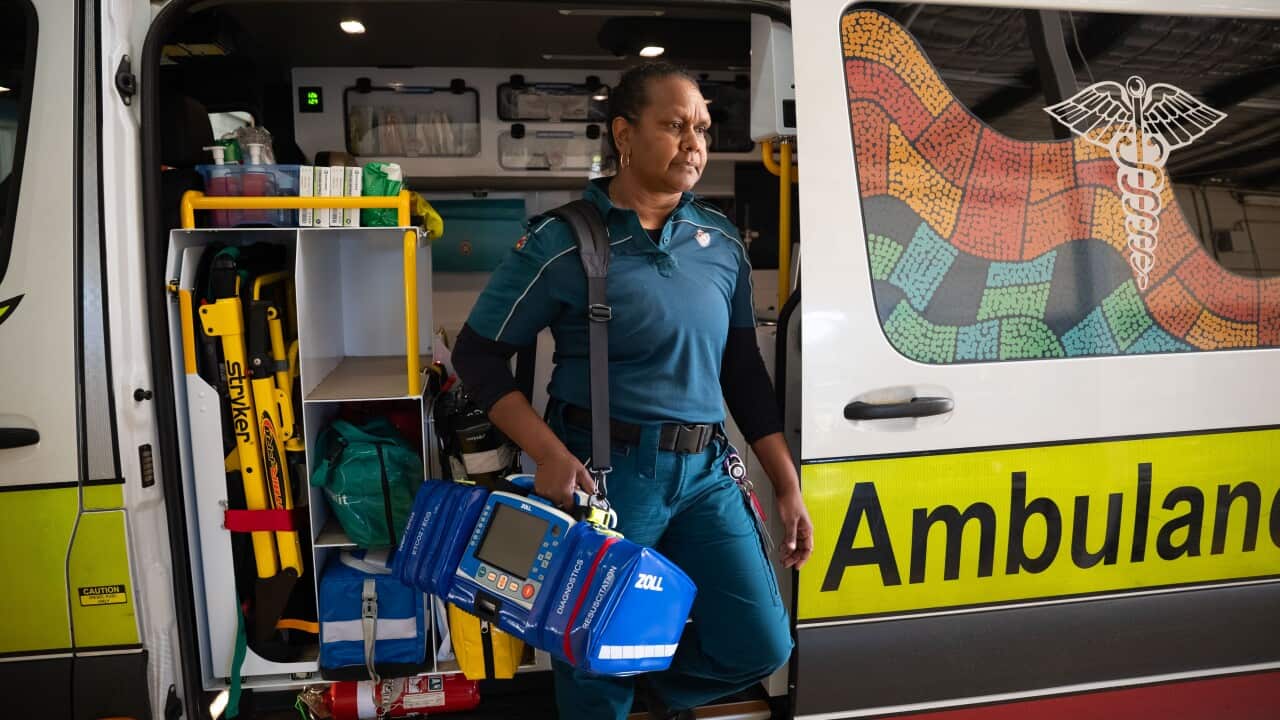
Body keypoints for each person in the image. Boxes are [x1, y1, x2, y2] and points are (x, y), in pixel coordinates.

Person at [450, 61, 813, 720]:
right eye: (674, 126)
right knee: (591, 663)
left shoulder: (722, 241)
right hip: (608, 480)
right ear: (624, 133)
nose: (694, 143)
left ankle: (646, 696)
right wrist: (551, 454)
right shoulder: (562, 242)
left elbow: (743, 371)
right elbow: (476, 355)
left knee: (761, 642)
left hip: (705, 474)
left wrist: (785, 484)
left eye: (701, 127)